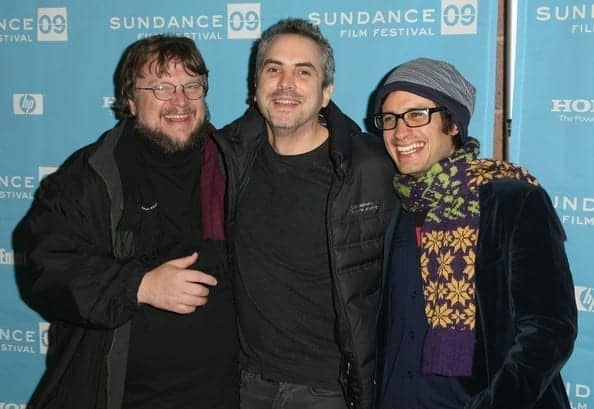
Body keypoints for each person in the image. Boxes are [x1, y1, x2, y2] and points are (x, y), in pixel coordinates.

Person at [19, 35, 237, 409]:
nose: (180, 101)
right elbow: (47, 268)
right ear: (131, 102)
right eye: (161, 87)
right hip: (119, 395)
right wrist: (140, 285)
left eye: (191, 86)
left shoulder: (233, 164)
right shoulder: (89, 177)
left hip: (223, 395)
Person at [372, 57, 578, 409]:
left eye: (416, 115)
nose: (400, 132)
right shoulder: (396, 204)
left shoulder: (512, 200)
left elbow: (548, 329)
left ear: (452, 124)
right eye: (389, 119)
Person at [214, 18, 397, 409]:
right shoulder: (227, 158)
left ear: (326, 92)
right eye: (273, 69)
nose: (285, 84)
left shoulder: (372, 167)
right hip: (245, 385)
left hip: (329, 391)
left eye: (303, 72)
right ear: (256, 85)